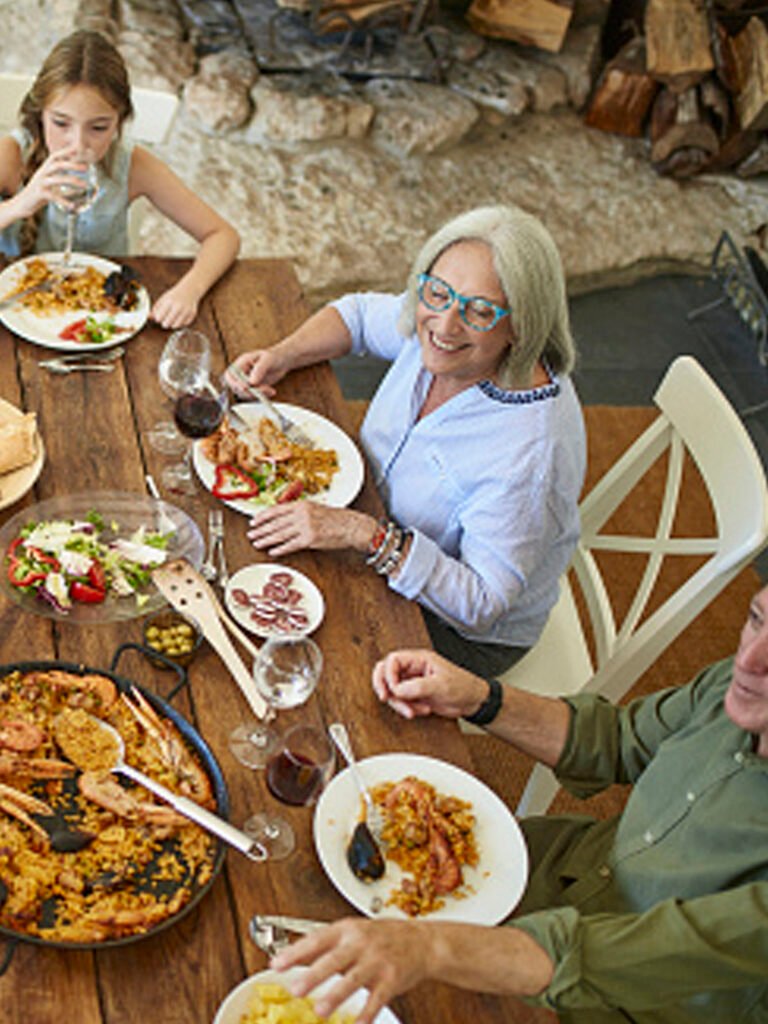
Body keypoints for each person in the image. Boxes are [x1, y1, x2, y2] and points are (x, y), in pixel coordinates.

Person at [268, 584, 768, 1024]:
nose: (748, 661)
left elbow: (642, 952)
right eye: (756, 619)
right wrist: (478, 698)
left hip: (612, 1003)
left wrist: (428, 947)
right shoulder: (736, 683)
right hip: (546, 871)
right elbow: (619, 739)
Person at [228, 205, 586, 677]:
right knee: (233, 559)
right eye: (436, 292)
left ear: (522, 325)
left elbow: (481, 604)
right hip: (367, 524)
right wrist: (282, 355)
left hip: (450, 629)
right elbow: (354, 316)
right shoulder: (438, 325)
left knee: (282, 661)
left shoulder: (528, 457)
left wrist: (362, 533)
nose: (444, 324)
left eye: (480, 310)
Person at [0, 30, 240, 329]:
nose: (77, 143)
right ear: (40, 113)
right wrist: (19, 205)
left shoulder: (134, 165)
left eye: (98, 127)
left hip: (99, 316)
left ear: (119, 121)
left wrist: (189, 290)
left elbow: (223, 235)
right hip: (19, 311)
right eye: (60, 123)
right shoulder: (11, 155)